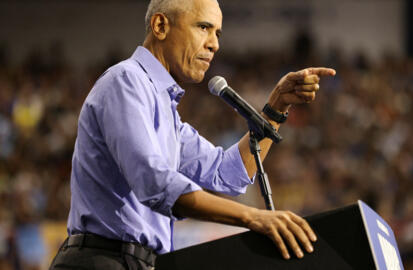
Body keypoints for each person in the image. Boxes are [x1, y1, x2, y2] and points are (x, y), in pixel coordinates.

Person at [49, 0, 336, 269]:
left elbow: (229, 174)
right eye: (203, 28)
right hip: (101, 260)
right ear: (161, 26)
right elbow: (155, 183)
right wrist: (253, 217)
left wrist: (276, 107)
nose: (214, 44)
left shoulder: (165, 111)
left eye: (218, 34)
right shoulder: (125, 82)